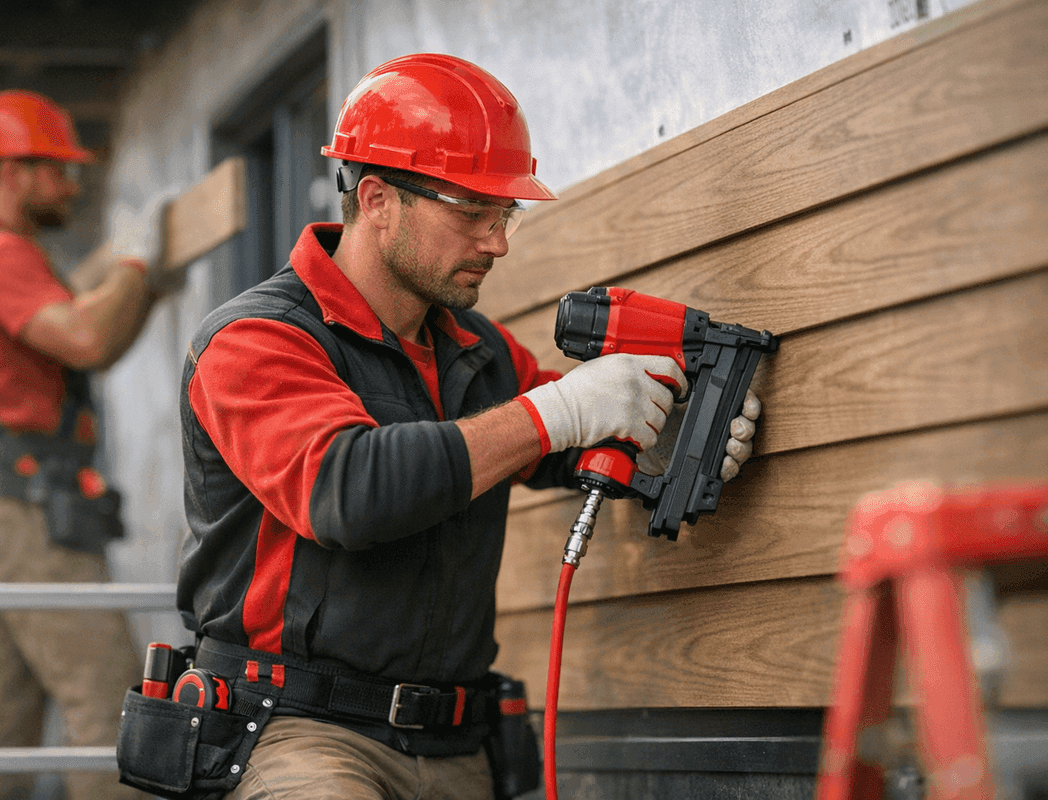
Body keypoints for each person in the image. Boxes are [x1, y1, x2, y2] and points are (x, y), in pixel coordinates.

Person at [176, 54, 759, 800]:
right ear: (379, 200)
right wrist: (556, 410)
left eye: (505, 214)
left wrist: (676, 433)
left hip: (456, 743)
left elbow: (561, 446)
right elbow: (345, 490)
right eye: (470, 212)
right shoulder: (258, 339)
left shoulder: (474, 350)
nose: (498, 242)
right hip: (300, 733)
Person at [0, 89, 170, 800]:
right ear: (15, 172)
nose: (71, 186)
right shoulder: (4, 255)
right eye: (60, 170)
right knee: (106, 702)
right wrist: (136, 266)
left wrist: (140, 290)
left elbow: (81, 322)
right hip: (23, 507)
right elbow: (88, 338)